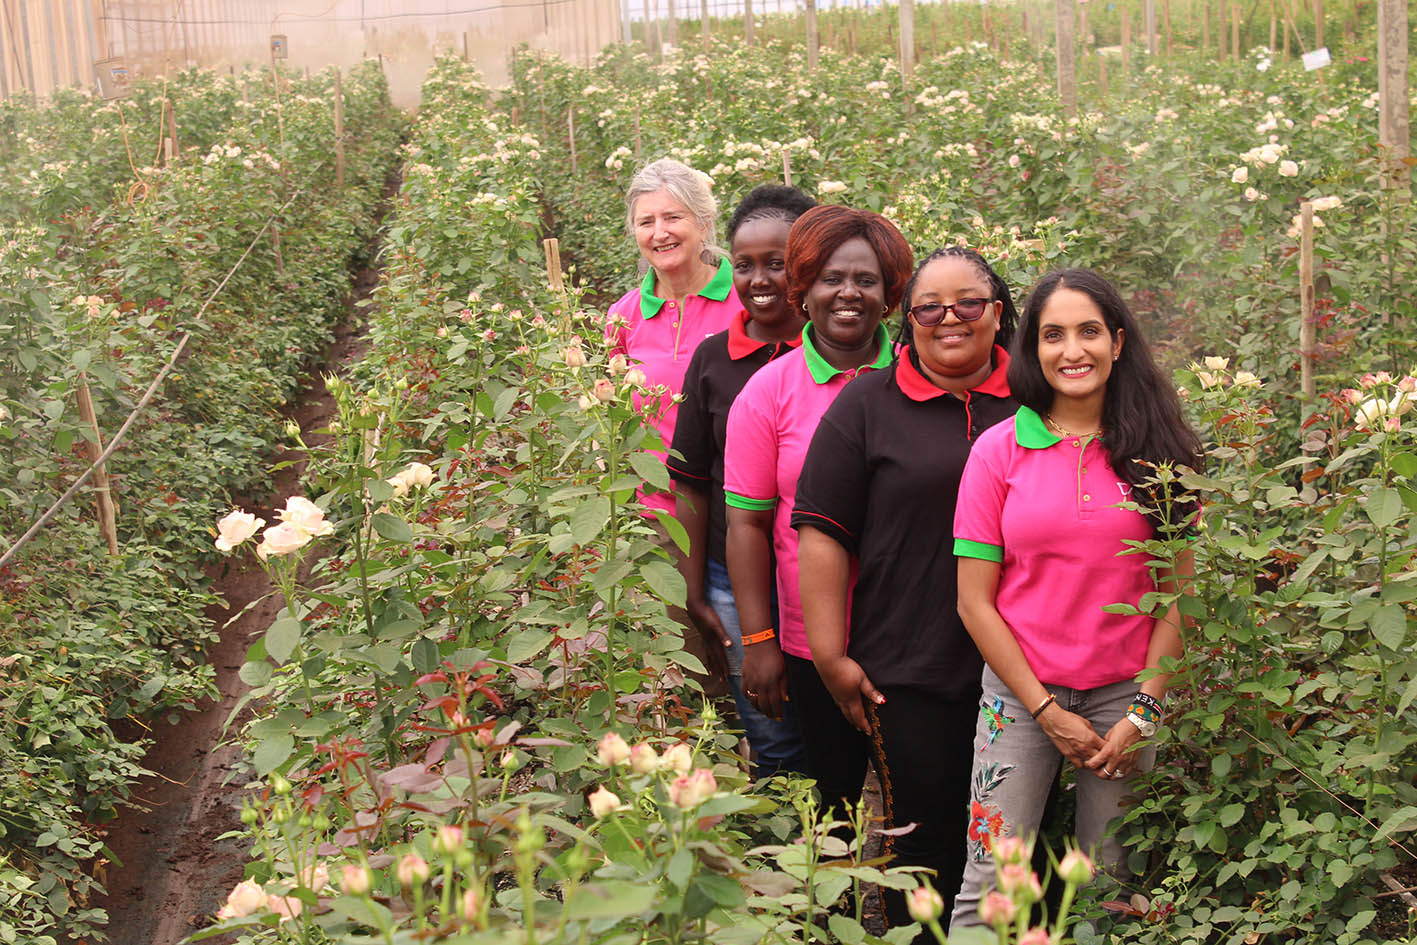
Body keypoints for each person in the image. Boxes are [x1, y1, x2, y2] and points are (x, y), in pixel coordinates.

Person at [949, 268, 1200, 929]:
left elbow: (1176, 597)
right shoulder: (996, 451)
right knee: (989, 885)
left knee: (1109, 888)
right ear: (1032, 349)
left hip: (1127, 698)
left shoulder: (1160, 456)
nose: (1072, 350)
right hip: (1019, 698)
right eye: (1052, 335)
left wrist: (1143, 709)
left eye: (1088, 331)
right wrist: (1042, 707)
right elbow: (973, 603)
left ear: (1117, 342)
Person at [791, 247, 1018, 936]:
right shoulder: (868, 403)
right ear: (908, 318)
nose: (949, 318)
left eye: (968, 302)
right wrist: (830, 656)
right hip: (909, 666)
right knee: (923, 842)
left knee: (1010, 840)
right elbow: (822, 533)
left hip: (1022, 665)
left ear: (997, 312)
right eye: (929, 306)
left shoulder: (1037, 398)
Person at [721, 204, 913, 821]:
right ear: (802, 290)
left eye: (866, 280)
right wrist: (759, 641)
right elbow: (748, 525)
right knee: (829, 806)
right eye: (831, 279)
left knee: (919, 800)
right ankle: (831, 915)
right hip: (810, 642)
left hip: (914, 635)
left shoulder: (921, 381)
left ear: (890, 296)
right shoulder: (769, 392)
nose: (848, 294)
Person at [667, 185, 816, 778]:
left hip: (827, 575)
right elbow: (692, 484)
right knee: (772, 729)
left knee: (834, 723)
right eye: (744, 264)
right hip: (736, 577)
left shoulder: (842, 352)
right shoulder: (712, 360)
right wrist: (695, 587)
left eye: (776, 263)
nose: (758, 279)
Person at [605, 158, 742, 519]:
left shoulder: (747, 304)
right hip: (652, 517)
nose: (659, 233)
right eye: (645, 222)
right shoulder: (625, 315)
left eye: (673, 217)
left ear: (703, 223)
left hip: (735, 513)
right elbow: (613, 417)